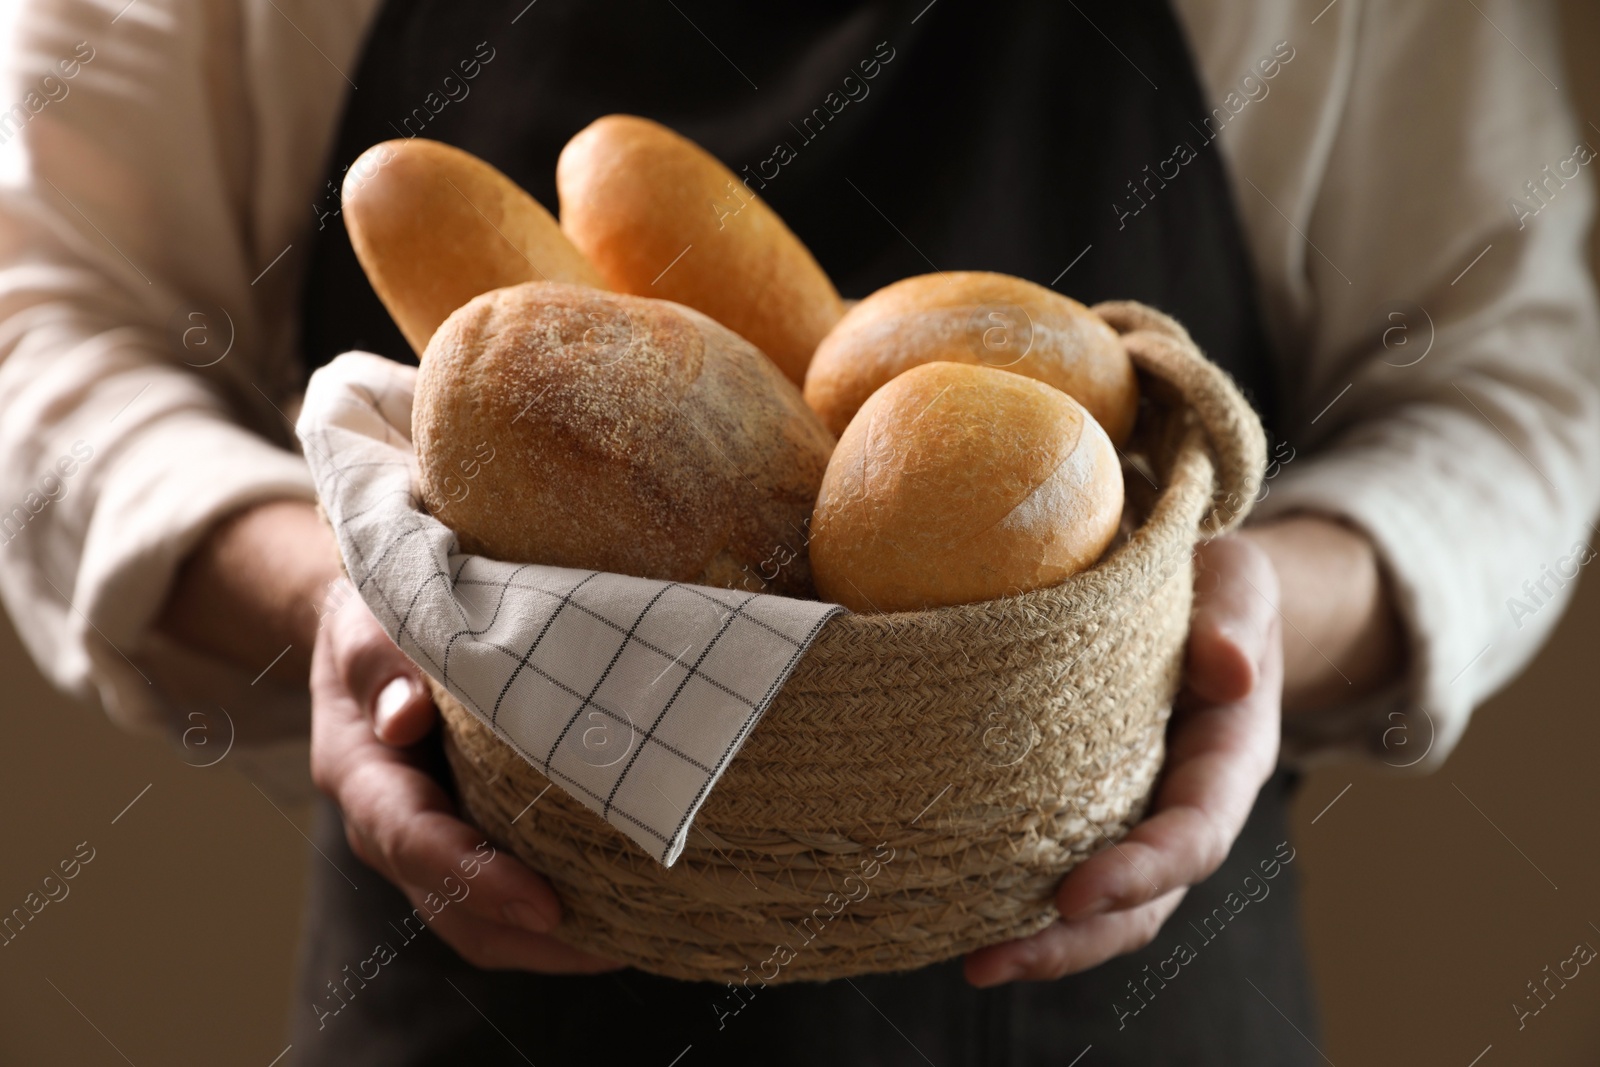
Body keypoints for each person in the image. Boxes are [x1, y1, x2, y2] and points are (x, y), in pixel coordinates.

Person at [0, 0, 1594, 1063]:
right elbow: (40, 328)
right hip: (489, 974)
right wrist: (345, 593)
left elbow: (1519, 389)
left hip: (1129, 986)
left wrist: (1234, 618)